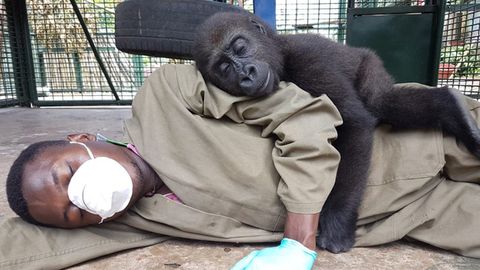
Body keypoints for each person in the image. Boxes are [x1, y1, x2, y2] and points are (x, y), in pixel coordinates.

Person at [1, 64, 480, 270]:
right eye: (73, 213)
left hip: (417, 132)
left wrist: (299, 240)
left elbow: (305, 115)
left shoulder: (166, 94)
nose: (85, 197)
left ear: (81, 140)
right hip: (407, 213)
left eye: (67, 175)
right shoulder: (132, 218)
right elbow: (23, 245)